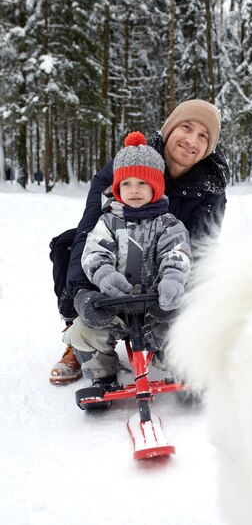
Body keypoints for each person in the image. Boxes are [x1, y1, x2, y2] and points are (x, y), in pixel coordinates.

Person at [49, 98, 230, 384]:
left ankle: (174, 344)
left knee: (207, 276)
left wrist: (177, 297)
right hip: (116, 272)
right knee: (69, 244)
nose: (191, 140)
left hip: (163, 274)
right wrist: (82, 293)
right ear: (169, 128)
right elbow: (89, 233)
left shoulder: (210, 187)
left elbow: (198, 250)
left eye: (203, 135)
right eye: (186, 127)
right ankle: (77, 337)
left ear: (209, 147)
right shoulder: (123, 168)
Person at [63, 131, 192, 390]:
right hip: (115, 306)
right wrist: (105, 276)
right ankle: (103, 374)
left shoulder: (169, 224)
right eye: (127, 184)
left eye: (142, 183)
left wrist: (172, 280)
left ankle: (178, 367)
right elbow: (95, 253)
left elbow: (176, 254)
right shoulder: (107, 222)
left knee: (184, 327)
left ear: (155, 186)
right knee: (82, 332)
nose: (134, 190)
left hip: (156, 306)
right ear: (117, 188)